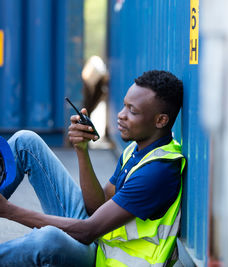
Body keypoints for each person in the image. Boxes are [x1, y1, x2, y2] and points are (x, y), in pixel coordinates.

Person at [0, 70, 185, 267]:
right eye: (124, 106)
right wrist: (82, 149)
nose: (121, 115)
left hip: (103, 259)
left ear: (160, 120)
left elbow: (88, 231)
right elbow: (97, 206)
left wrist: (9, 211)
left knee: (48, 239)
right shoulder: (137, 149)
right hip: (99, 241)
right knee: (26, 142)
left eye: (133, 111)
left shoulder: (157, 172)